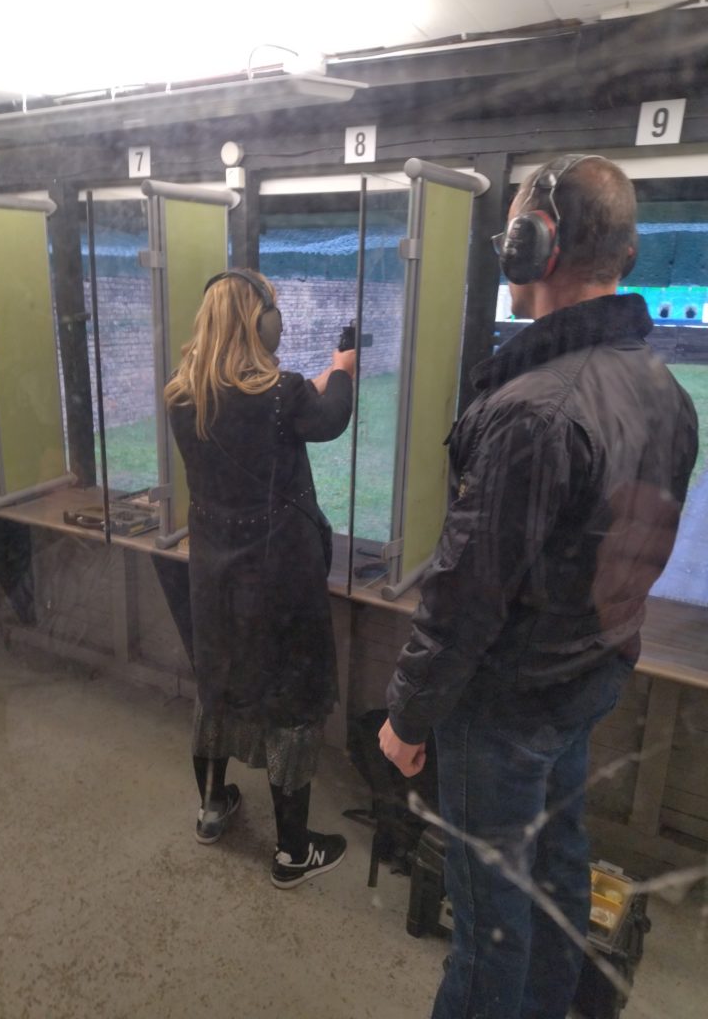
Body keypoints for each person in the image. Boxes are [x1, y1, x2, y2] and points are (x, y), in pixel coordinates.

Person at [379, 154, 698, 1018]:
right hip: (587, 678)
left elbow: (467, 593)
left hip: (509, 701)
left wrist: (409, 715)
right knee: (558, 878)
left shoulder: (534, 411)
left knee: (489, 923)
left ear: (536, 244)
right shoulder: (666, 393)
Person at [165, 267, 355, 889]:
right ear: (262, 323)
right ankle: (293, 852)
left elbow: (255, 414)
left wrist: (315, 383)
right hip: (279, 575)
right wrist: (344, 369)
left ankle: (212, 808)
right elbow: (328, 419)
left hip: (214, 571)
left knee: (217, 685)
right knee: (291, 701)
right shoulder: (283, 394)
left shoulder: (183, 396)